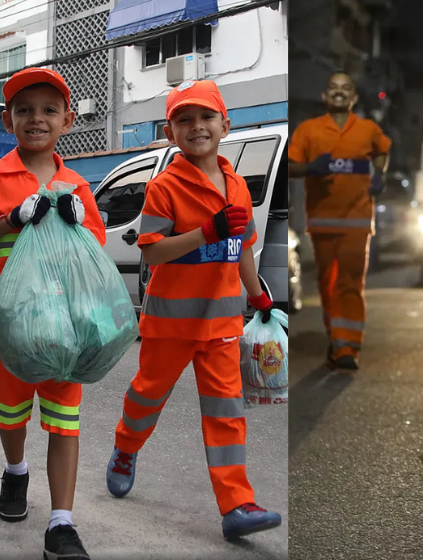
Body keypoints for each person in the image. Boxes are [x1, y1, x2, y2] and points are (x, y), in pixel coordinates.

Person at [104, 80, 282, 540]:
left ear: (226, 124)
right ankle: (125, 447)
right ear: (170, 132)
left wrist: (258, 296)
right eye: (184, 119)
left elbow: (242, 247)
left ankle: (237, 505)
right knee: (146, 398)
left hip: (222, 324)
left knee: (227, 413)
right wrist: (207, 232)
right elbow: (154, 253)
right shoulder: (164, 187)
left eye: (205, 117)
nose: (196, 127)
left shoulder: (239, 185)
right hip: (169, 324)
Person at [0, 67, 105, 560]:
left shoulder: (78, 186)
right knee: (11, 417)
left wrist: (80, 222)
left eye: (48, 110)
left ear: (67, 119)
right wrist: (12, 217)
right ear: (7, 121)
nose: (36, 119)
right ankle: (15, 471)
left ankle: (62, 524)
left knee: (65, 422)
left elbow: (96, 255)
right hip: (6, 332)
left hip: (65, 331)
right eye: (24, 110)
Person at [287, 71, 392, 370]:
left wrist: (380, 175)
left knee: (350, 283)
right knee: (327, 285)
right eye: (333, 87)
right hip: (322, 220)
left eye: (346, 88)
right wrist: (310, 168)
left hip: (357, 220)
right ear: (325, 95)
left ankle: (348, 346)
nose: (339, 92)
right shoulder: (309, 130)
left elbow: (382, 152)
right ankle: (337, 339)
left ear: (354, 97)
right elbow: (291, 167)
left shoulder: (368, 129)